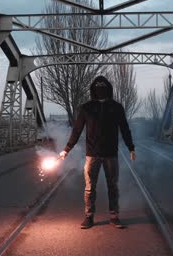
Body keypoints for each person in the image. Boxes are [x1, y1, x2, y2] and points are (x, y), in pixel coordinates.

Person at [59, 75, 136, 229]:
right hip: (92, 154)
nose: (100, 88)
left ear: (108, 88)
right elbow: (77, 130)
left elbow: (124, 128)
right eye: (98, 86)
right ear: (93, 89)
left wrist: (131, 147)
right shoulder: (86, 108)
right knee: (89, 187)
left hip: (110, 154)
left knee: (112, 186)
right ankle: (89, 217)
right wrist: (66, 149)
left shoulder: (116, 107)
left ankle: (114, 216)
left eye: (103, 86)